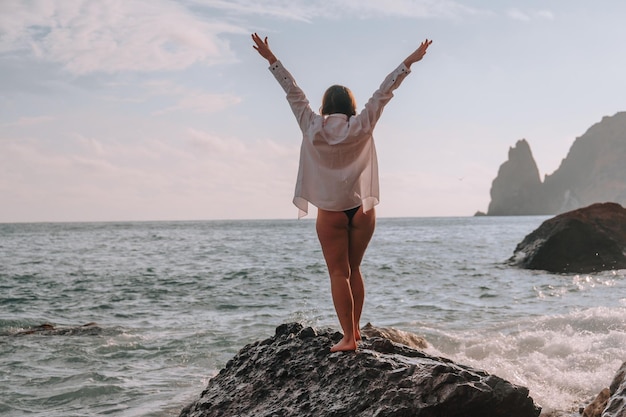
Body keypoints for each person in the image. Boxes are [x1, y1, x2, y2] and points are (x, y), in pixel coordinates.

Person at [252, 33, 432, 352]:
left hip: (331, 212)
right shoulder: (361, 124)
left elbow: (292, 91)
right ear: (349, 105)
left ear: (325, 106)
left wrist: (271, 59)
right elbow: (383, 92)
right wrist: (408, 63)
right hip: (362, 209)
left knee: (338, 273)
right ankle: (356, 333)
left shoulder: (311, 125)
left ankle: (348, 337)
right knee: (354, 269)